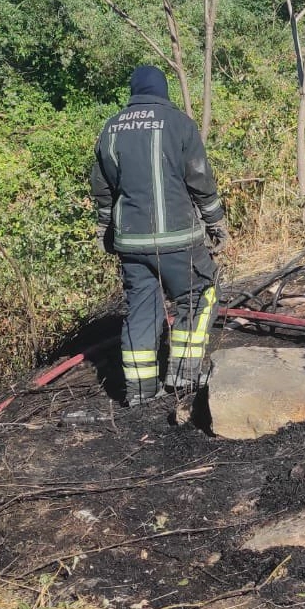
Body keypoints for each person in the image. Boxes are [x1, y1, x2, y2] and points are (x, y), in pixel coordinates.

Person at [90, 65, 230, 407]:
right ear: (163, 90)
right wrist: (216, 222)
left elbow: (103, 188)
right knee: (201, 295)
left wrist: (104, 229)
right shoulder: (179, 123)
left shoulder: (111, 128)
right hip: (178, 239)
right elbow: (199, 178)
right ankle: (183, 375)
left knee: (142, 308)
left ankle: (140, 390)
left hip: (131, 243)